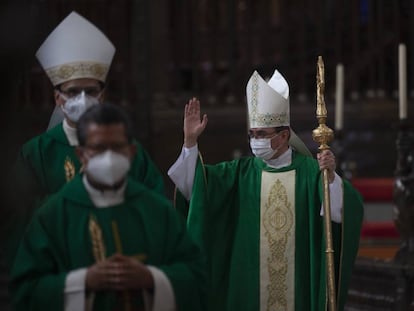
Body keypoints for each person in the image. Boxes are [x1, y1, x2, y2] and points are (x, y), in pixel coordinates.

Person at [168, 70, 364, 311]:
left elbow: (343, 214)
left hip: (298, 290)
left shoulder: (311, 173)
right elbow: (196, 190)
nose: (254, 141)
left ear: (283, 136)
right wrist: (190, 143)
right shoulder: (239, 174)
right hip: (248, 290)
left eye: (261, 134)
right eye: (252, 134)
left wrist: (331, 178)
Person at [9, 103, 206, 311]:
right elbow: (26, 290)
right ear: (81, 154)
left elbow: (195, 276)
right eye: (99, 148)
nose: (109, 157)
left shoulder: (157, 210)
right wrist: (82, 282)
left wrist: (151, 278)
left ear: (131, 152)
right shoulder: (52, 216)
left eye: (117, 147)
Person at [4, 11, 164, 266]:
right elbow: (15, 216)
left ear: (102, 95)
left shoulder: (129, 150)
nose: (82, 99)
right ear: (58, 97)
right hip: (60, 269)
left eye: (90, 91)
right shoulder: (37, 153)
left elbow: (158, 208)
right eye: (72, 91)